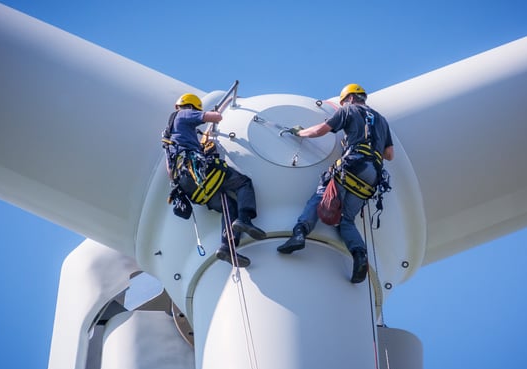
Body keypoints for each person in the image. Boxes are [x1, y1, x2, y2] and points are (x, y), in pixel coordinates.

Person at [277, 84, 394, 283]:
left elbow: (321, 130)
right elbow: (389, 155)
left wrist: (299, 133)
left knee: (321, 196)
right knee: (346, 220)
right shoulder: (381, 120)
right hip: (372, 176)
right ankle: (360, 255)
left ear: (348, 98)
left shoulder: (348, 110)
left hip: (353, 164)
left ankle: (299, 234)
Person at [163, 93, 266, 267]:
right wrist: (220, 109)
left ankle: (226, 248)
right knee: (243, 183)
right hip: (197, 170)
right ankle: (245, 219)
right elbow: (215, 117)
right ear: (191, 106)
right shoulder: (185, 114)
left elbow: (169, 170)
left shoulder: (168, 134)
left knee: (228, 206)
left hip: (187, 183)